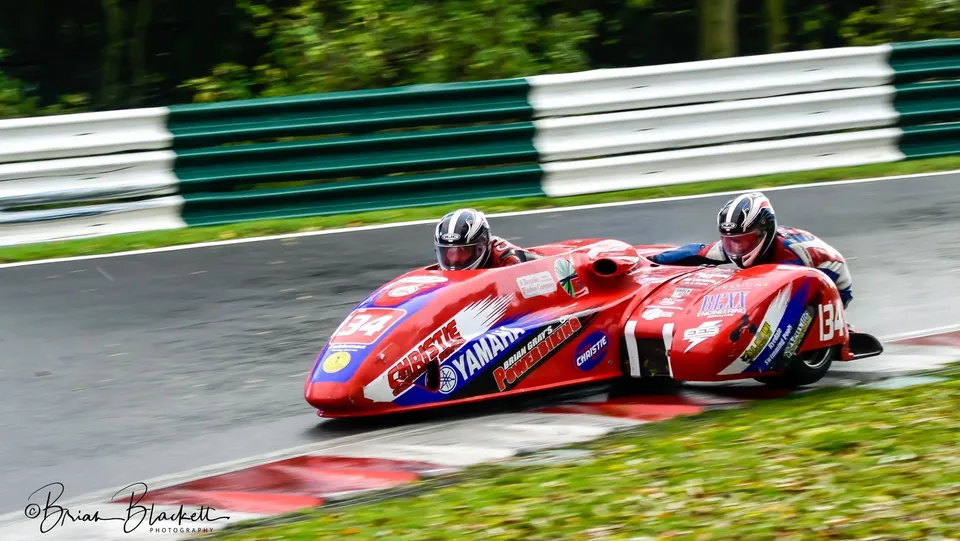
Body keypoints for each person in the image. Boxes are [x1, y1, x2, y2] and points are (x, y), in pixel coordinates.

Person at [649, 192, 854, 308]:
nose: (737, 248)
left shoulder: (792, 254)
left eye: (744, 240)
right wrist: (654, 260)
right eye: (731, 241)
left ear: (764, 230)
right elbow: (696, 252)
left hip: (833, 283)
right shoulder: (734, 246)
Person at [434, 208, 539, 270]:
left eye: (463, 251)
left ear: (482, 246)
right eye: (449, 251)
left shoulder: (508, 259)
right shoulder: (445, 266)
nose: (455, 259)